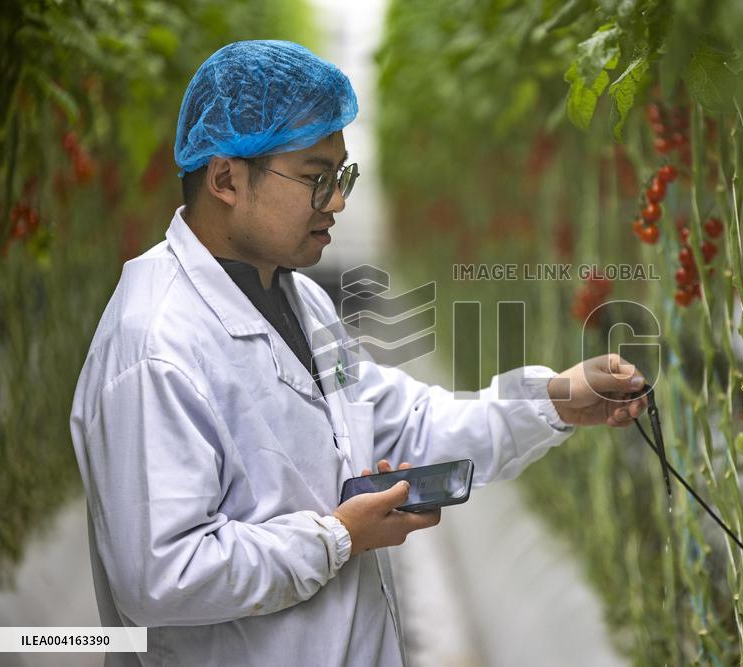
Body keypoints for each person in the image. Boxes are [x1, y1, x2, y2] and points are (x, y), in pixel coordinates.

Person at [69, 40, 649, 666]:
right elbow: (160, 576)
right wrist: (337, 538)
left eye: (342, 177)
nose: (338, 202)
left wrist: (557, 400)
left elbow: (406, 424)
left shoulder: (299, 301)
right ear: (225, 178)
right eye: (317, 178)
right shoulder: (156, 346)